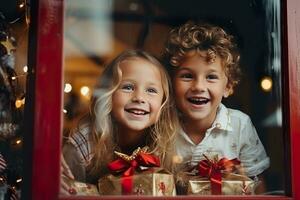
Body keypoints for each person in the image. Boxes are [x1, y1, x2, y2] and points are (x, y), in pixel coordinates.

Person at [162, 22, 270, 191]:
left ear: (228, 86)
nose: (198, 86)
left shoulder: (239, 125)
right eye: (187, 76)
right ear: (171, 83)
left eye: (211, 77)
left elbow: (257, 181)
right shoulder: (163, 125)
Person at [61, 49, 177, 194]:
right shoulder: (84, 144)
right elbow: (64, 190)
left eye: (151, 90)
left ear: (163, 102)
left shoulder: (167, 142)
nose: (139, 97)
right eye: (128, 87)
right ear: (108, 95)